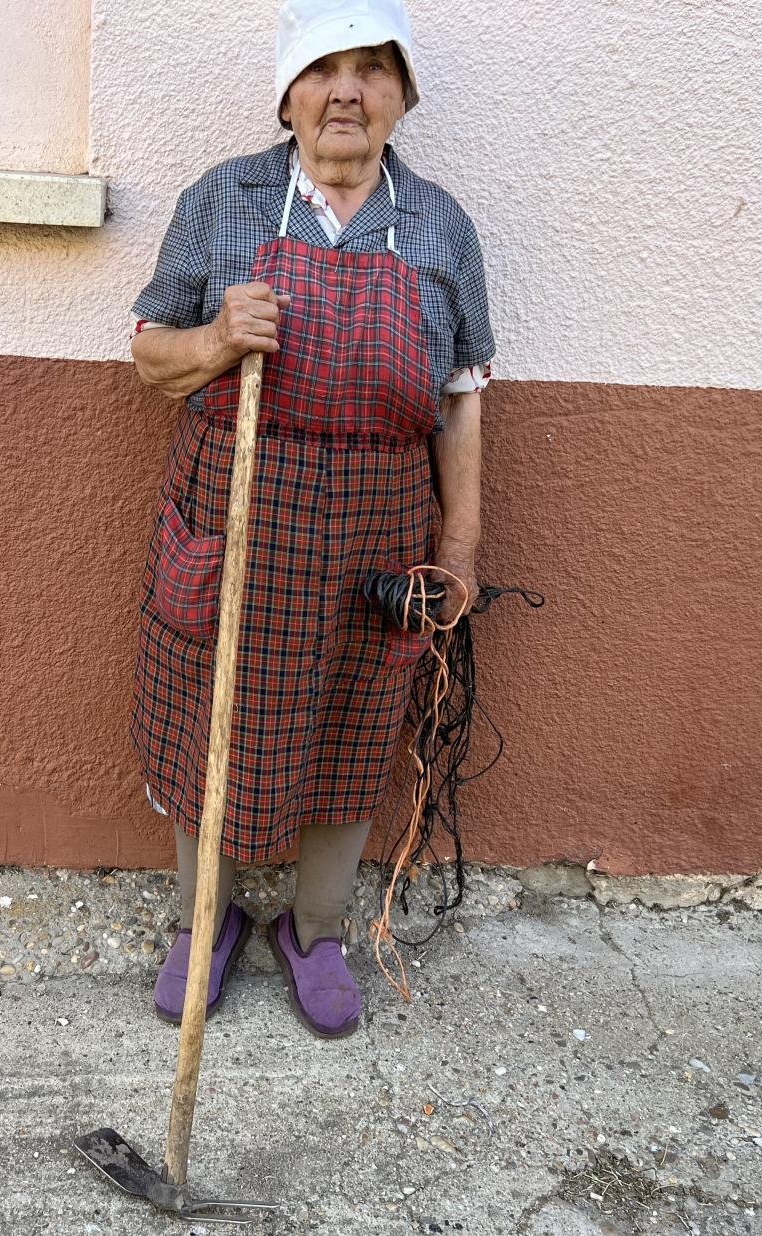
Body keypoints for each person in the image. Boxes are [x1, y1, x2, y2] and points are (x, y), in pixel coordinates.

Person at [127, 0, 493, 1039]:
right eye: (321, 71)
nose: (345, 91)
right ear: (287, 97)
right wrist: (211, 339)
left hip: (377, 531)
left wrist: (456, 548)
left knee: (350, 723)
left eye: (371, 71)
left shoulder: (438, 227)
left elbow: (461, 394)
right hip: (239, 512)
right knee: (214, 714)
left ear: (400, 98)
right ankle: (203, 926)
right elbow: (150, 356)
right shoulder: (225, 202)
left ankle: (314, 930)